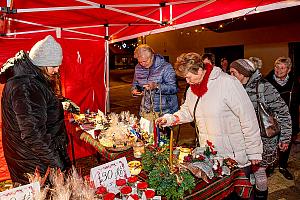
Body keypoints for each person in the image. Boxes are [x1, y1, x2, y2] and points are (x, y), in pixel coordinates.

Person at [156, 52, 263, 177]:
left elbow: (248, 118)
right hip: (210, 154)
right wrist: (170, 119)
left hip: (233, 155)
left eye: (188, 77)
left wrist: (254, 150)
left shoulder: (227, 83)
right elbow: (188, 111)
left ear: (200, 70)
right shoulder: (192, 90)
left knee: (240, 191)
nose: (187, 81)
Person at [0, 35, 71, 185]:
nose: (57, 70)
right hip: (32, 160)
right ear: (41, 64)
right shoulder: (26, 87)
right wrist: (58, 163)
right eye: (53, 66)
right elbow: (33, 135)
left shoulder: (30, 78)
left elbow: (36, 110)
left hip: (32, 155)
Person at [229, 57, 292, 199]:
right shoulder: (235, 88)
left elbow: (283, 112)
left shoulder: (265, 87)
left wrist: (286, 138)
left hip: (265, 139)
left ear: (243, 73)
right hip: (245, 137)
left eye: (233, 73)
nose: (231, 76)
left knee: (259, 171)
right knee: (247, 171)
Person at [265, 56, 299, 180]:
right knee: (270, 145)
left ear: (288, 70)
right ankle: (269, 166)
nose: (278, 70)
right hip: (271, 120)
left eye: (282, 68)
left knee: (286, 144)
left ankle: (283, 166)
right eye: (276, 67)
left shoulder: (295, 82)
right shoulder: (266, 82)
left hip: (289, 119)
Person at [131, 44, 178, 116]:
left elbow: (174, 88)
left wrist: (156, 86)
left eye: (145, 61)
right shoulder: (138, 67)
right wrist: (134, 90)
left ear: (152, 56)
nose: (142, 64)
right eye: (140, 62)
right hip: (146, 111)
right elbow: (135, 84)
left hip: (166, 111)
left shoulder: (166, 67)